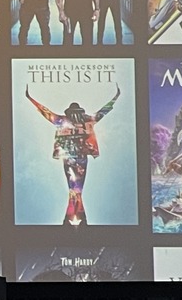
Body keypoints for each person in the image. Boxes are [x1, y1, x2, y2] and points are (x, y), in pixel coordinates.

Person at [25, 86, 120, 226]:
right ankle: (78, 217)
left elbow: (45, 111)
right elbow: (103, 111)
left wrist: (31, 99)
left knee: (74, 188)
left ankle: (73, 217)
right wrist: (115, 98)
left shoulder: (62, 121)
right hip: (80, 156)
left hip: (69, 157)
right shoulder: (87, 120)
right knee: (77, 188)